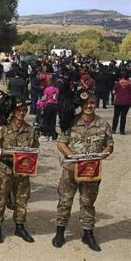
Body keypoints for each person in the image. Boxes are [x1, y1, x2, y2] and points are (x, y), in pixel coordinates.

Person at [53, 90, 114, 251]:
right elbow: (61, 143)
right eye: (86, 103)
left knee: (88, 203)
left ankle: (88, 234)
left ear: (96, 104)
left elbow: (109, 145)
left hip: (91, 172)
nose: (89, 106)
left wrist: (102, 154)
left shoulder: (103, 124)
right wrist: (73, 156)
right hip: (70, 170)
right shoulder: (71, 122)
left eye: (92, 103)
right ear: (81, 105)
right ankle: (60, 232)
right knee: (65, 201)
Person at [0, 97, 39, 244]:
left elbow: (35, 148)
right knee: (1, 198)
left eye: (24, 110)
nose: (22, 113)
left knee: (22, 199)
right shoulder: (3, 128)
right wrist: (9, 153)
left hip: (23, 170)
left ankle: (19, 226)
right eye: (19, 110)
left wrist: (28, 155)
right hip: (5, 168)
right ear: (13, 111)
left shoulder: (30, 131)